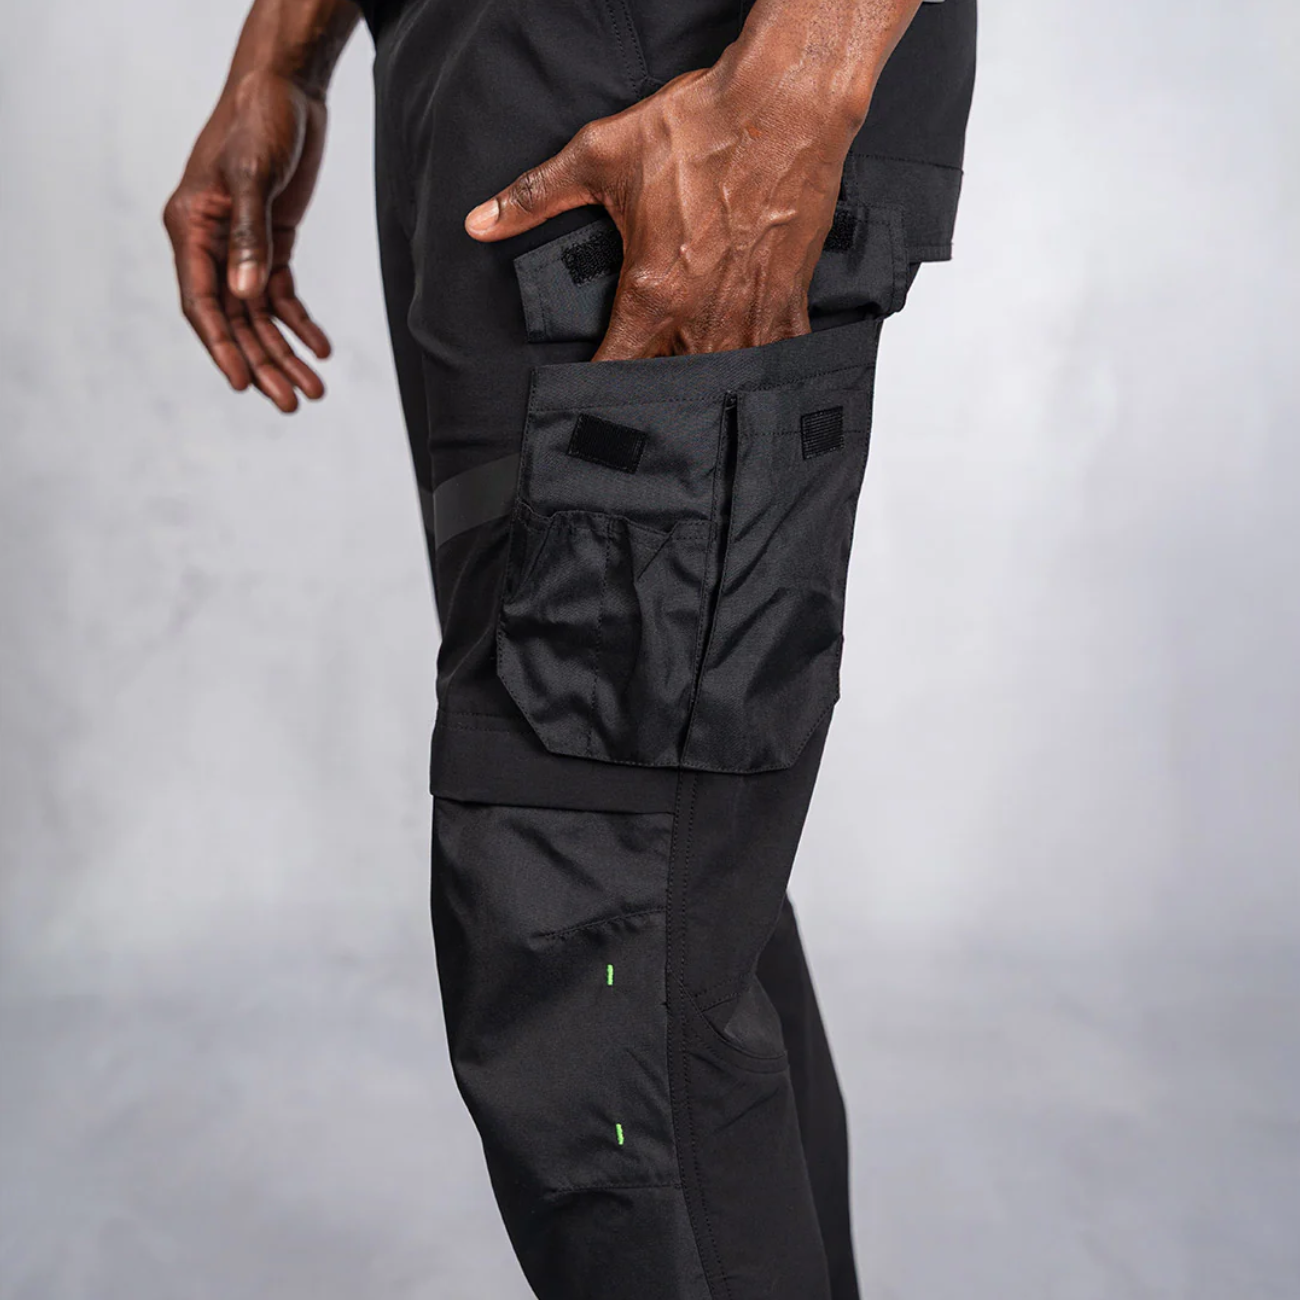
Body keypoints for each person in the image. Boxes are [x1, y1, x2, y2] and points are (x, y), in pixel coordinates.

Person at [163, 0, 976, 1294]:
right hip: (485, 81)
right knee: (667, 892)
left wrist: (799, 82)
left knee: (599, 962)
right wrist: (283, 51)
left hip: (671, 69)